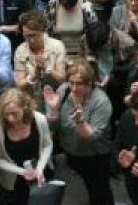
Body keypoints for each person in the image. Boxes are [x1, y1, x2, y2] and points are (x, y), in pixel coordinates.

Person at [46, 60, 114, 205]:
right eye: (72, 82)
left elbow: (91, 137)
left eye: (80, 84)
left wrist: (80, 122)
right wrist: (52, 110)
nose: (74, 88)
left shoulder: (101, 102)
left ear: (90, 83)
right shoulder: (64, 91)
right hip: (71, 151)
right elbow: (53, 127)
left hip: (95, 156)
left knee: (99, 192)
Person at [0, 87, 54, 204]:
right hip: (15, 180)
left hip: (42, 170)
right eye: (6, 114)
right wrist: (22, 171)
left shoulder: (39, 119)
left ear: (25, 108)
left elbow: (47, 145)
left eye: (15, 113)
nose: (10, 119)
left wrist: (40, 167)